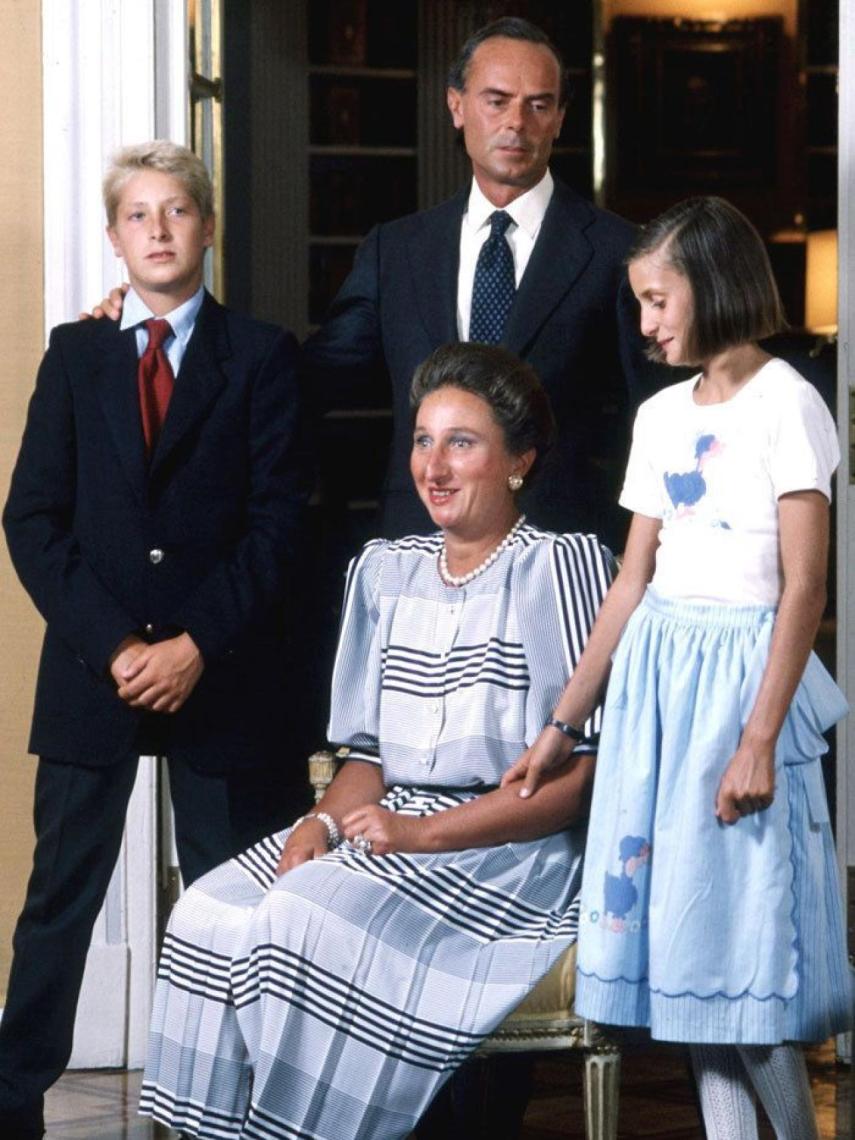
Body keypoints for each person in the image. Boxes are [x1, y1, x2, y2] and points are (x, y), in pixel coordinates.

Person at [139, 342, 614, 1140]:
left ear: (519, 461)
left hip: (507, 855)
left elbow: (581, 780)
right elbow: (366, 758)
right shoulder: (385, 571)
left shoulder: (558, 567)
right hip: (387, 828)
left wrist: (420, 833)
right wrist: (318, 825)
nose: (433, 465)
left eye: (461, 442)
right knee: (205, 912)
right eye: (423, 440)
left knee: (300, 913)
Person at [503, 196, 851, 1138]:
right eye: (640, 304)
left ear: (713, 285)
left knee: (744, 966)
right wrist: (559, 727)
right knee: (694, 979)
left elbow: (805, 589)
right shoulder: (659, 417)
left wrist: (757, 741)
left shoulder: (791, 403)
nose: (647, 323)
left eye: (659, 300)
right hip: (658, 690)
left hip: (742, 690)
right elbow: (629, 585)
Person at [0, 141, 307, 1139]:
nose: (161, 229)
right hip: (97, 675)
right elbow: (32, 520)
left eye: (179, 211)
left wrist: (193, 647)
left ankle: (251, 1099)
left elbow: (278, 526)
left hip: (225, 678)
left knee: (239, 901)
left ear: (209, 227)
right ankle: (13, 1101)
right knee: (58, 902)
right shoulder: (76, 353)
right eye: (140, 214)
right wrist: (116, 648)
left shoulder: (261, 357)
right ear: (114, 236)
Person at [94, 17, 663, 550]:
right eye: (496, 101)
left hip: (564, 547)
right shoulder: (398, 251)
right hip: (416, 549)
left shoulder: (619, 253)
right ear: (456, 105)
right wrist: (165, 320)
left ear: (561, 117)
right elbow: (307, 380)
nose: (516, 122)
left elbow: (664, 416)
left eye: (538, 105)